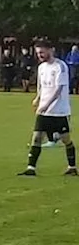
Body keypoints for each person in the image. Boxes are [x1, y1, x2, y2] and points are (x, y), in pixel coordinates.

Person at [20, 40, 76, 177]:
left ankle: (72, 167)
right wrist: (38, 98)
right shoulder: (41, 67)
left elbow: (58, 90)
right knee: (37, 137)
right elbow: (41, 86)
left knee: (66, 139)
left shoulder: (60, 66)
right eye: (38, 53)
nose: (40, 55)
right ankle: (31, 168)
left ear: (51, 50)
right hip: (44, 110)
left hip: (59, 111)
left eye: (42, 52)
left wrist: (46, 105)